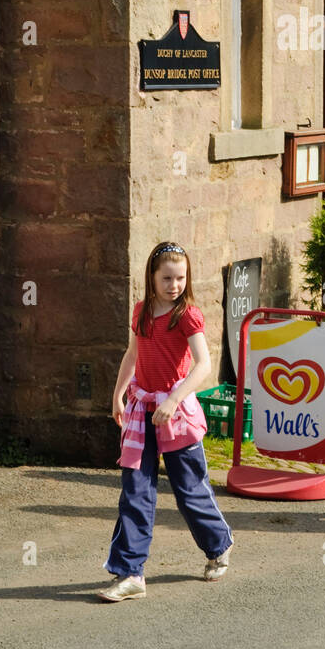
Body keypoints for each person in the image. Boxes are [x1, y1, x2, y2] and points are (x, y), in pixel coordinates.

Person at [98, 241, 234, 600]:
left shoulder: (187, 315)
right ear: (152, 277)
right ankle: (130, 574)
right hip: (142, 412)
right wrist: (118, 394)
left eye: (180, 278)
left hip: (176, 413)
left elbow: (203, 364)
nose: (174, 284)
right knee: (135, 493)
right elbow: (133, 353)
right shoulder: (142, 311)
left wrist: (174, 399)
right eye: (167, 278)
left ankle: (218, 545)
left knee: (189, 490)